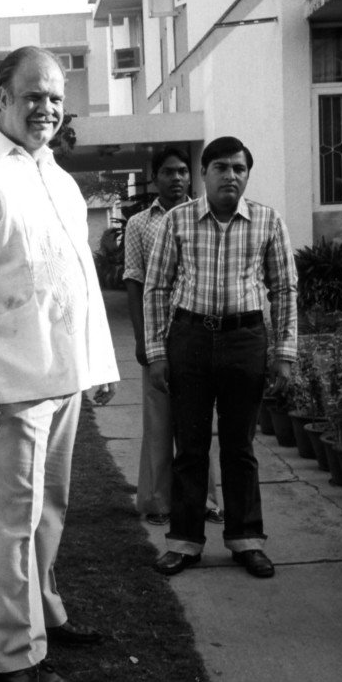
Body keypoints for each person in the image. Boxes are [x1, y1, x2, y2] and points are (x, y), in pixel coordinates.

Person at [0, 46, 119, 682]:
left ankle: (45, 610)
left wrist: (96, 361)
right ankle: (16, 655)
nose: (45, 106)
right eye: (32, 94)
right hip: (7, 386)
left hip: (61, 379)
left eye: (55, 96)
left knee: (50, 510)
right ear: (2, 98)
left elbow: (75, 279)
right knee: (11, 522)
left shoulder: (56, 177)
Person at [143, 136, 297, 579]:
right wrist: (157, 354)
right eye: (221, 168)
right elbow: (156, 288)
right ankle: (184, 542)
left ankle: (246, 540)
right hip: (189, 340)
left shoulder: (268, 221)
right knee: (189, 448)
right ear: (203, 173)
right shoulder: (177, 220)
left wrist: (283, 354)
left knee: (240, 447)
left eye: (239, 168)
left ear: (247, 175)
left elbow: (284, 289)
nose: (231, 176)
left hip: (245, 340)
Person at [123, 145, 224, 529]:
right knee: (159, 422)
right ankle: (157, 502)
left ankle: (207, 502)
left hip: (197, 334)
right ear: (155, 177)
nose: (177, 178)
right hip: (158, 337)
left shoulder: (206, 216)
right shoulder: (139, 224)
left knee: (198, 424)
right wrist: (141, 337)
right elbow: (133, 282)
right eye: (168, 172)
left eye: (183, 171)